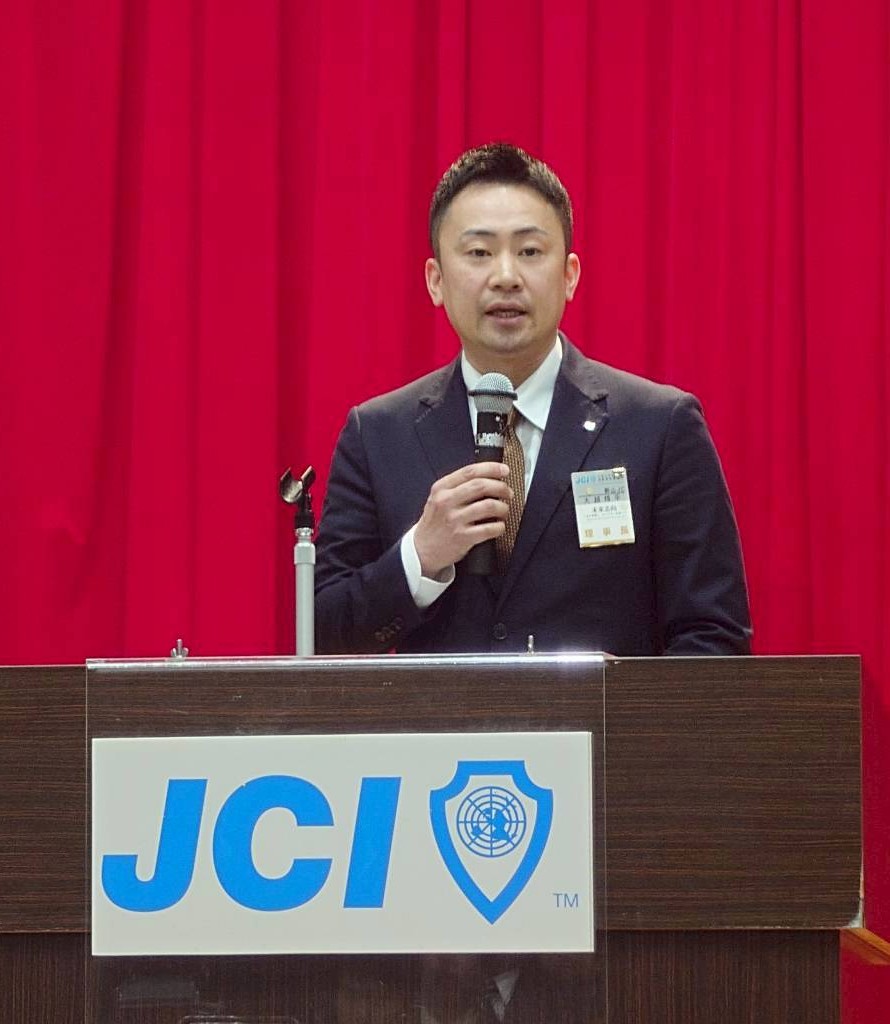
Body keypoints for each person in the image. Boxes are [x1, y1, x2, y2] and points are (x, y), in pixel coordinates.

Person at [314, 143, 751, 656]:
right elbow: (323, 632)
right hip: (440, 714)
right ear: (436, 281)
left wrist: (624, 710)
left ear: (569, 276)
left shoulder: (659, 426)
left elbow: (713, 636)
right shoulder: (377, 435)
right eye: (479, 253)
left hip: (601, 713)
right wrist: (420, 556)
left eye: (529, 252)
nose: (505, 276)